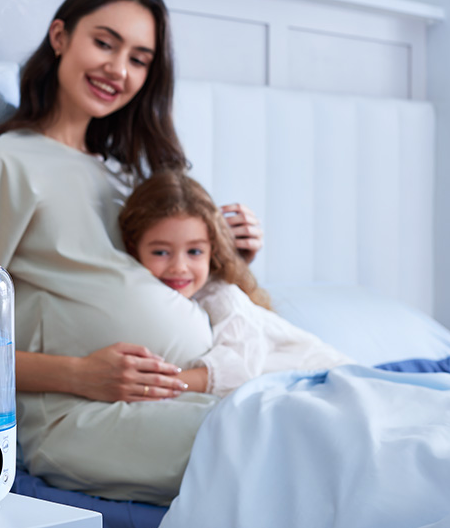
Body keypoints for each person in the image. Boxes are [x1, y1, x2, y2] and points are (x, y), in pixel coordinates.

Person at [0, 0, 262, 504]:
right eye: (104, 43)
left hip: (170, 392)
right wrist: (80, 375)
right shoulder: (7, 162)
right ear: (60, 37)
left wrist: (227, 259)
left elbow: (142, 290)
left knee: (305, 418)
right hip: (74, 413)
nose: (118, 68)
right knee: (273, 442)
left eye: (138, 59)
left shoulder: (124, 179)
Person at [120, 170, 354, 397]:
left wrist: (154, 384)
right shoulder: (149, 298)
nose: (179, 266)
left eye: (194, 251)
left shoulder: (222, 297)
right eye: (161, 252)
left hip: (335, 380)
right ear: (133, 248)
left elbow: (236, 372)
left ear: (212, 250)